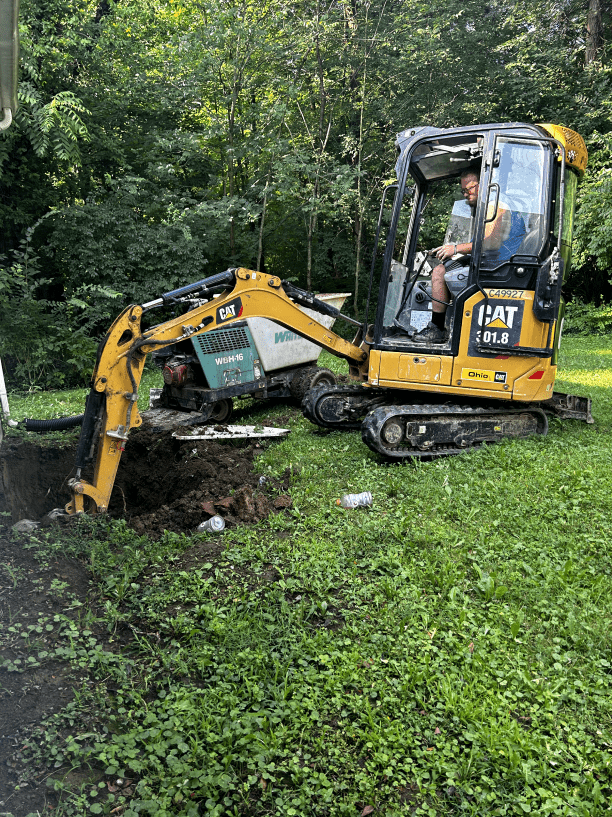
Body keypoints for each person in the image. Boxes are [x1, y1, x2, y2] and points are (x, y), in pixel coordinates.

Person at [412, 169, 526, 344]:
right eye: (463, 191)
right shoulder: (489, 208)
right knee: (444, 266)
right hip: (494, 265)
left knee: (440, 272)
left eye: (469, 189)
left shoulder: (496, 206)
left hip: (497, 270)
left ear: (485, 184)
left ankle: (437, 329)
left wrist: (455, 248)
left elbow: (490, 244)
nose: (466, 194)